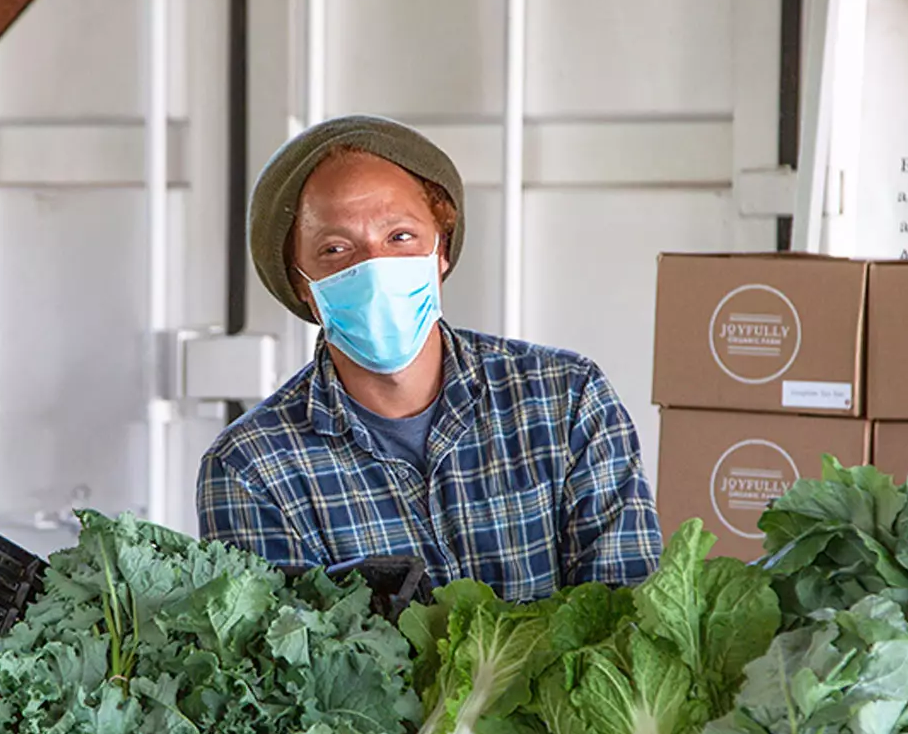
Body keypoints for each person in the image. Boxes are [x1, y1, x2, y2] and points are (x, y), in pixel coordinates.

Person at [197, 116, 663, 601]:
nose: (374, 269)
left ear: (441, 250)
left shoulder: (566, 400)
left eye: (400, 237)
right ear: (302, 286)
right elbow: (285, 666)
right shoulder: (251, 469)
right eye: (335, 249)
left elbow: (626, 620)